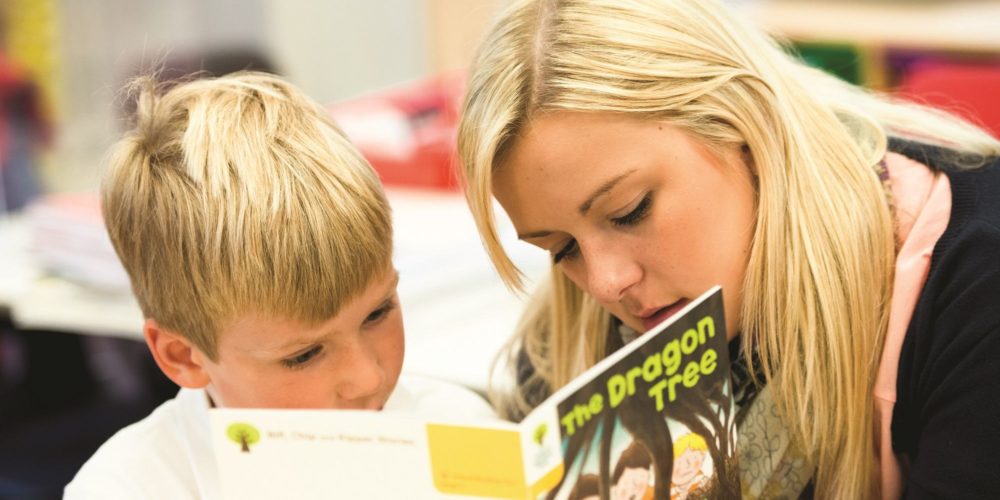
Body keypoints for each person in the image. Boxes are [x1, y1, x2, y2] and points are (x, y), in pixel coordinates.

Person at [455, 0, 1000, 498]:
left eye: (630, 211)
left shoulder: (976, 285)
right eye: (559, 248)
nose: (604, 283)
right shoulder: (571, 335)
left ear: (744, 129)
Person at [64, 72, 495, 499]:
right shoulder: (127, 486)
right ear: (184, 357)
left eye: (378, 313)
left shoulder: (461, 425)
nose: (367, 378)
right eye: (304, 355)